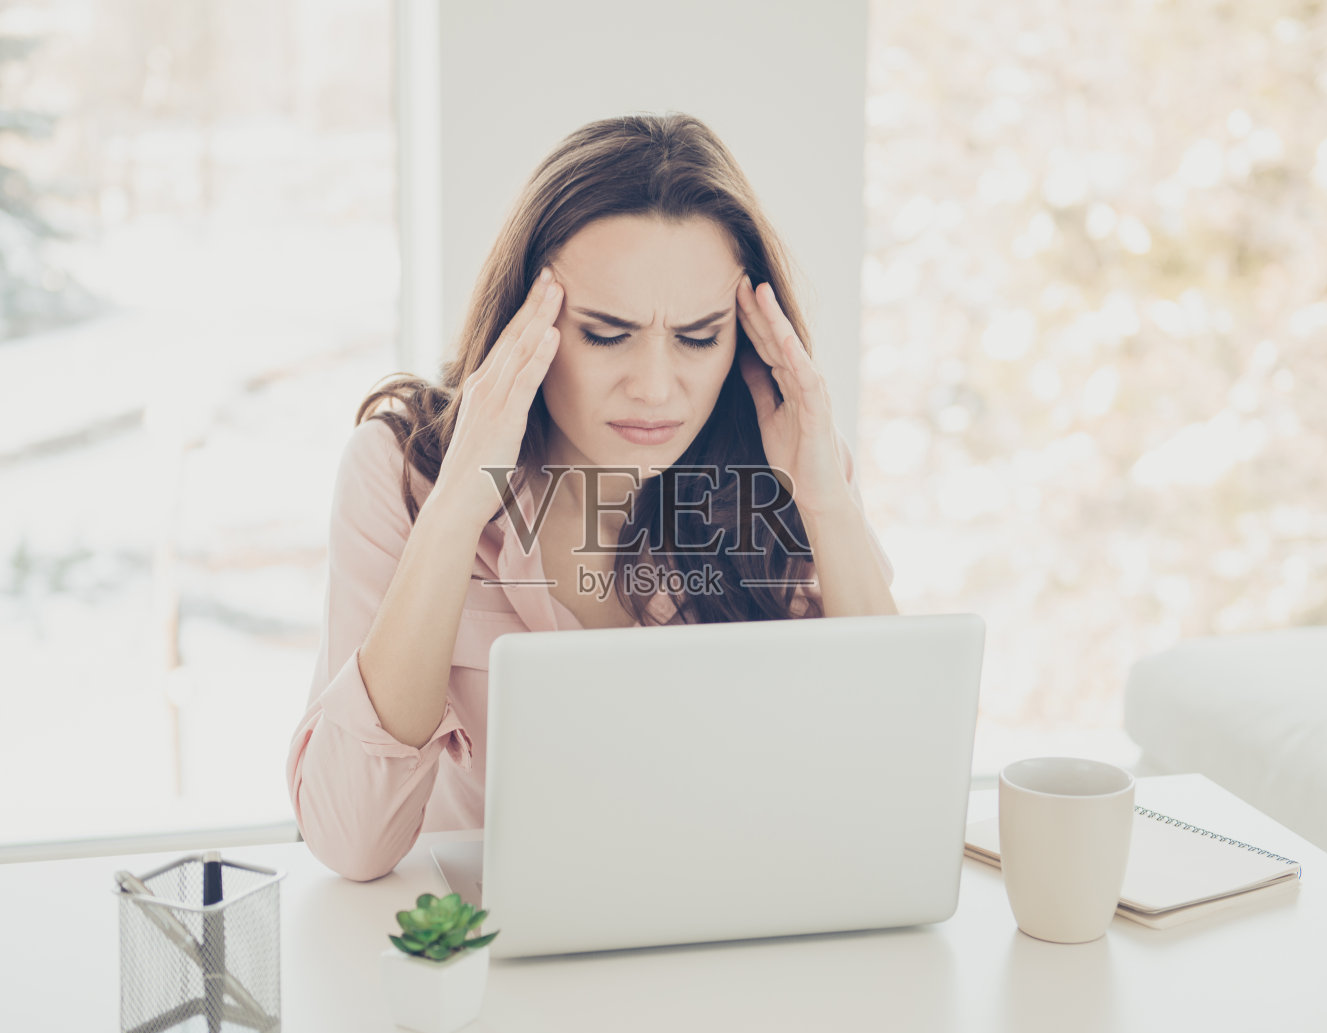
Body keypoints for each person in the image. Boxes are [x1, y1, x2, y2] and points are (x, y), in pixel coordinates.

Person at [286, 112, 898, 882]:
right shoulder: (404, 470)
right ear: (528, 325)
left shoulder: (787, 471)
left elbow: (891, 773)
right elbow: (352, 841)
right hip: (486, 966)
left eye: (700, 338)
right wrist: (456, 509)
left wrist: (827, 505)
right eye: (607, 335)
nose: (654, 388)